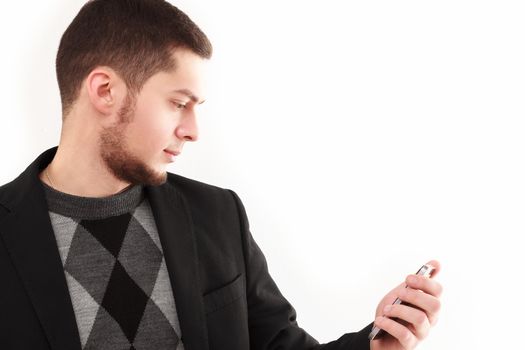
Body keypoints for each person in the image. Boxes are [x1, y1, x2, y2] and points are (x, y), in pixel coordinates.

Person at [0, 0, 442, 349]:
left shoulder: (217, 215)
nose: (192, 131)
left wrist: (376, 345)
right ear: (105, 90)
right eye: (178, 102)